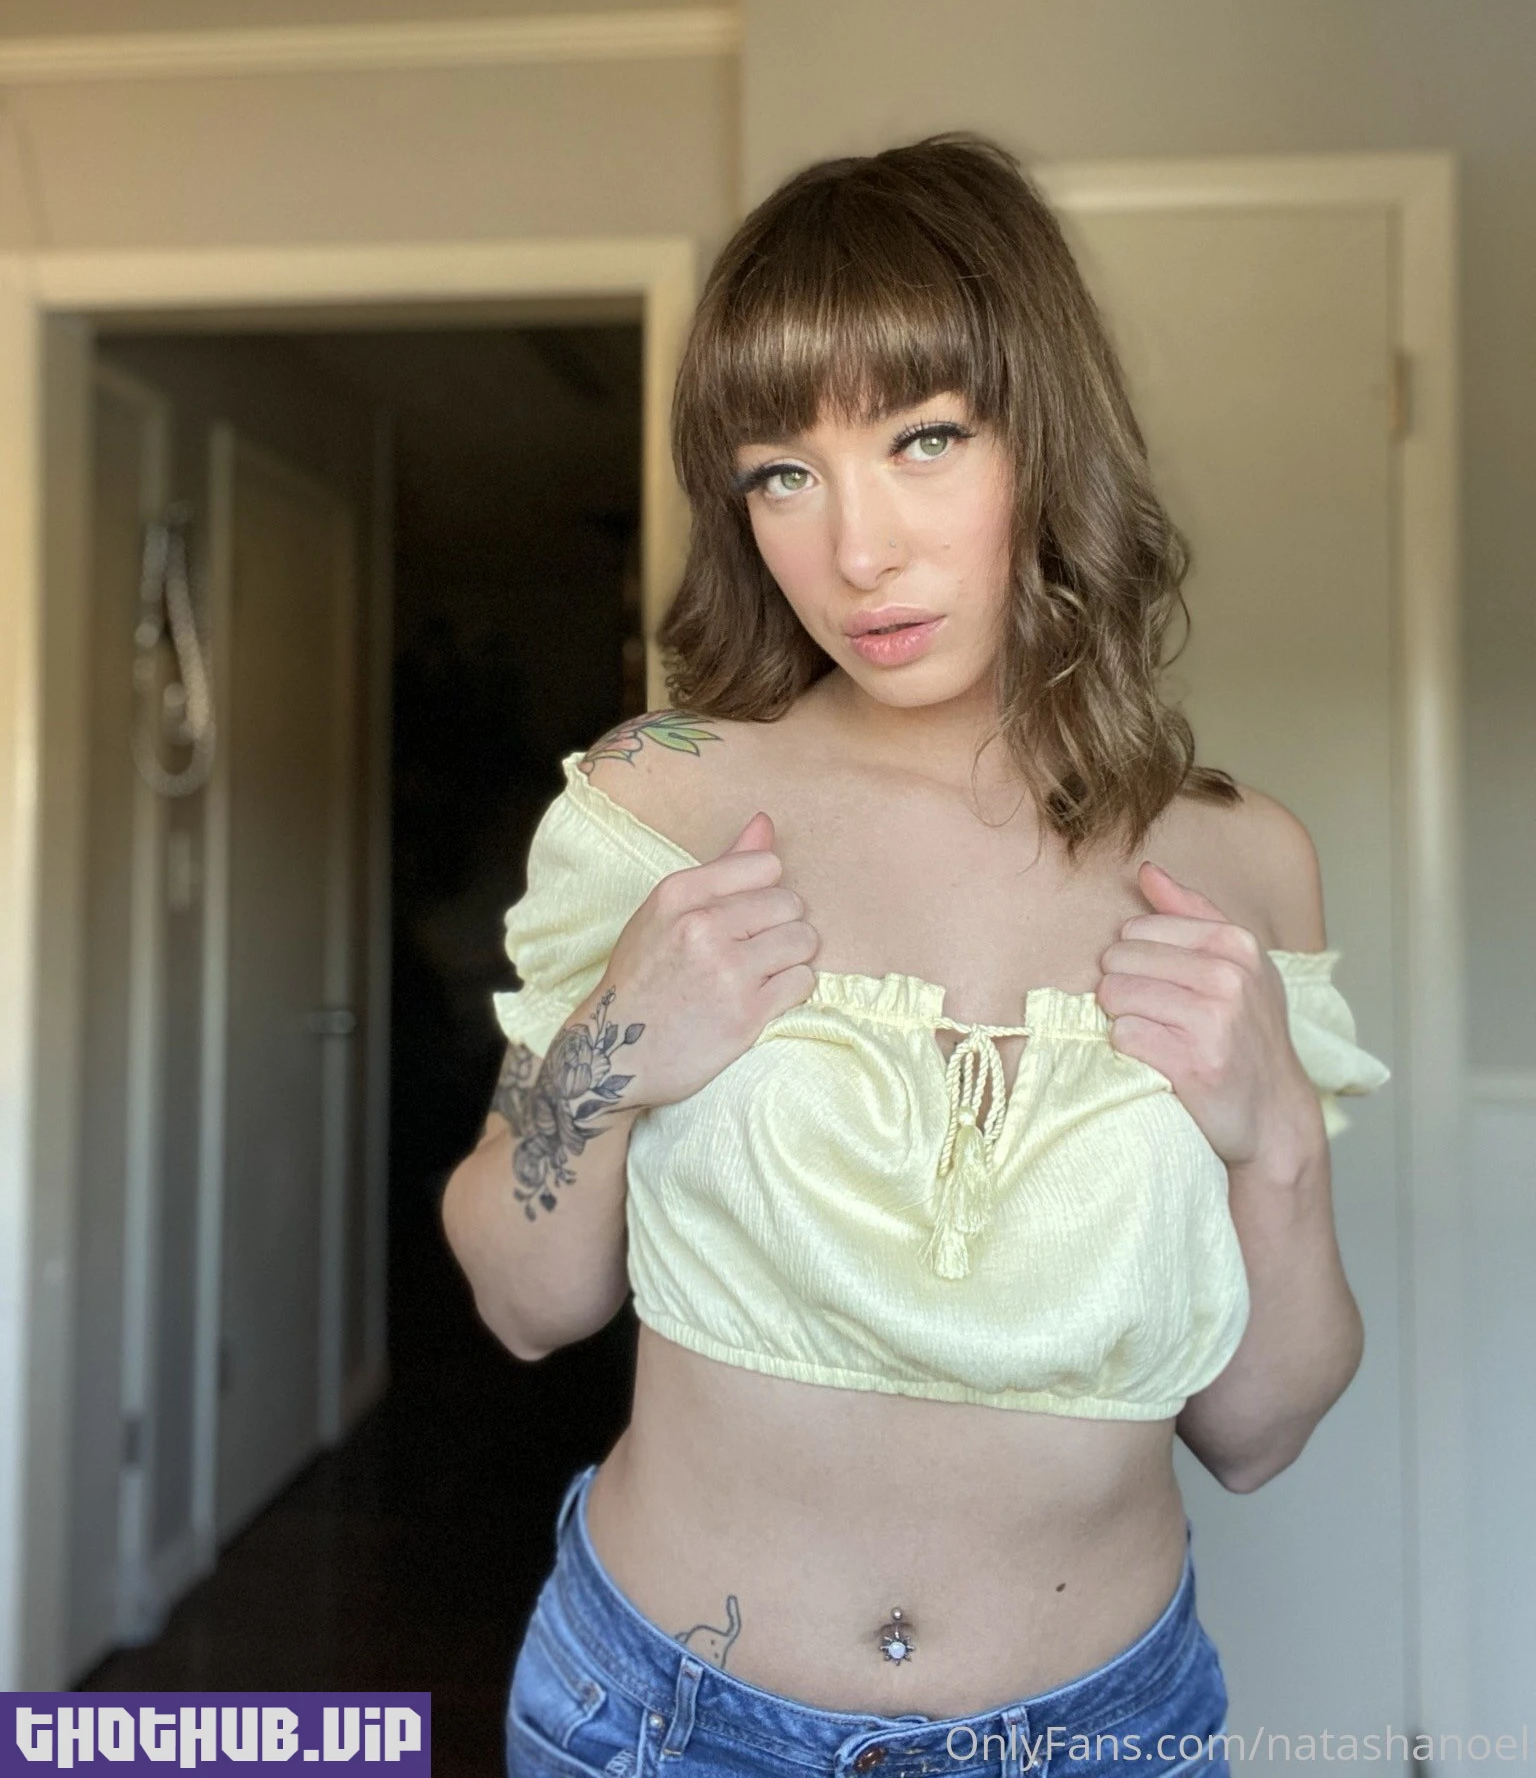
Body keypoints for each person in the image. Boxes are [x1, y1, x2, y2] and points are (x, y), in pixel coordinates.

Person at [441, 132, 1391, 1778]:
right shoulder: (662, 800)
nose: (856, 551)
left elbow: (1255, 1434)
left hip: (1103, 1737)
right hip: (659, 1720)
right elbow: (524, 1303)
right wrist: (614, 1038)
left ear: (1047, 438)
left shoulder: (1241, 862)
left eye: (924, 439)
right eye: (781, 474)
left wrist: (1280, 1139)